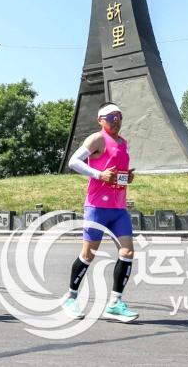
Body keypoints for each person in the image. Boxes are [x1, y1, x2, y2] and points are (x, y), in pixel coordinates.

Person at [62, 102, 139, 323]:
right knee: (88, 254)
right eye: (111, 118)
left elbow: (115, 172)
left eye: (119, 117)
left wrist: (126, 177)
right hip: (97, 207)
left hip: (118, 208)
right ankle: (70, 298)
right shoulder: (97, 139)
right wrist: (99, 174)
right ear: (100, 120)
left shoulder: (123, 142)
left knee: (127, 252)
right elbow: (73, 162)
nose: (116, 121)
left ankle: (114, 303)